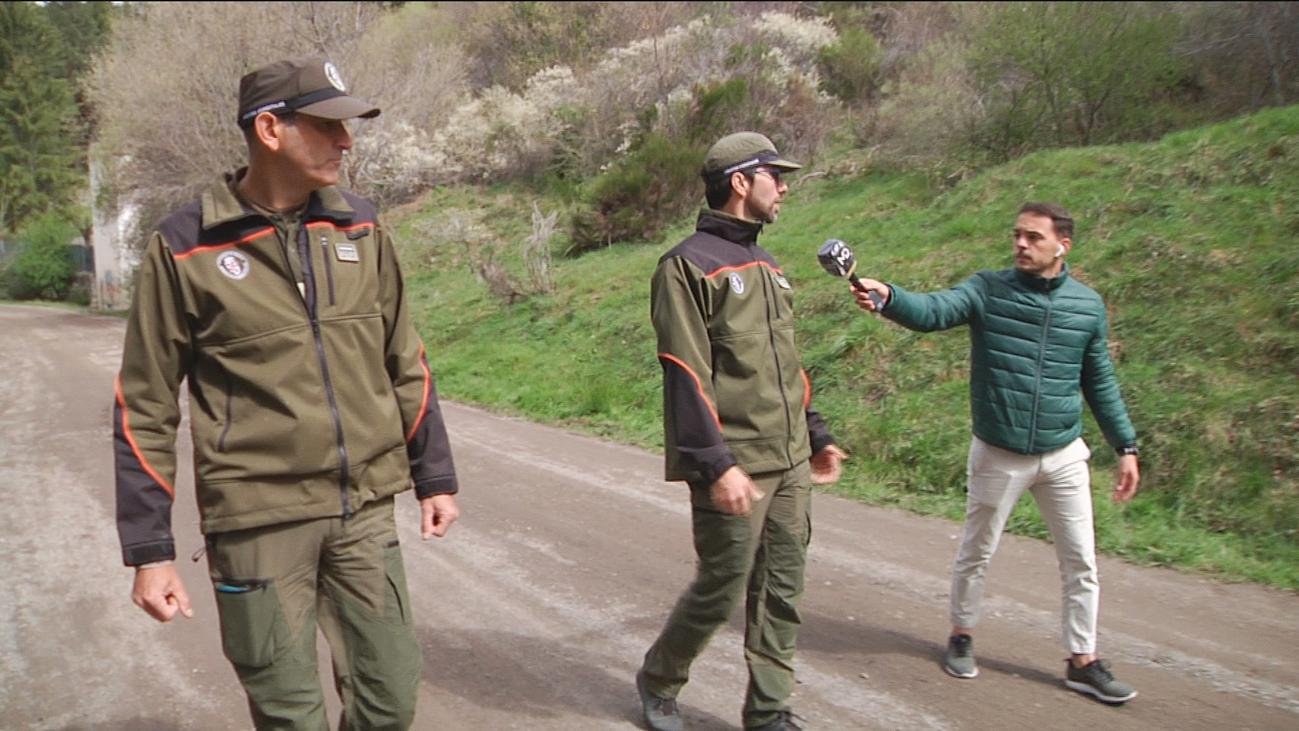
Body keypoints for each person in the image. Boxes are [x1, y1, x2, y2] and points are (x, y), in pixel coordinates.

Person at [113, 57, 460, 729]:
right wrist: (150, 550)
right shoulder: (184, 246)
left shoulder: (359, 224)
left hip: (361, 511)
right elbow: (145, 406)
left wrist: (433, 473)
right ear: (269, 129)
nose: (346, 143)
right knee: (289, 716)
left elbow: (404, 357)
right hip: (257, 523)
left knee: (391, 698)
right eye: (328, 126)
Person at [849, 202, 1141, 704]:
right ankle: (961, 634)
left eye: (1033, 237)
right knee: (976, 552)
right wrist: (891, 297)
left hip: (1064, 452)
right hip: (999, 451)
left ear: (1062, 246)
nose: (1021, 244)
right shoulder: (988, 288)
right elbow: (934, 310)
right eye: (1017, 235)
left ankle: (1082, 660)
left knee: (1081, 561)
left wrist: (1126, 446)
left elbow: (1099, 380)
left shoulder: (1087, 306)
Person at [635, 132, 847, 731]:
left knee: (782, 588)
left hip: (791, 461)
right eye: (774, 176)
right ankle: (658, 679)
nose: (783, 187)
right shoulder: (686, 266)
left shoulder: (770, 266)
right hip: (736, 461)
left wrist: (817, 433)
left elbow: (786, 367)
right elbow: (685, 372)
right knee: (724, 586)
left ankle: (769, 711)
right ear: (740, 182)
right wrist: (716, 462)